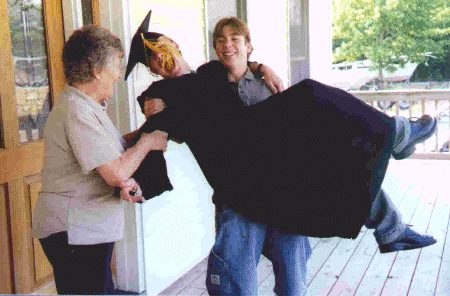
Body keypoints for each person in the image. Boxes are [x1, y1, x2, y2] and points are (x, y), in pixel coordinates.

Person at [126, 12, 436, 253]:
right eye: (155, 56)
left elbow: (238, 63)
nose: (165, 56)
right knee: (310, 94)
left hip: (260, 145)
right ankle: (397, 134)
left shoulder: (209, 72)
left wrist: (262, 68)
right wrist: (139, 180)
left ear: (176, 45)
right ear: (153, 69)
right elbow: (154, 133)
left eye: (166, 46)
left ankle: (391, 228)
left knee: (338, 163)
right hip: (238, 165)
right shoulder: (158, 94)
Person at [32, 25, 168, 295]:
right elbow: (115, 172)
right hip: (75, 233)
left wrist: (149, 127)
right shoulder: (77, 110)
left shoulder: (86, 105)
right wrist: (148, 142)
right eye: (115, 68)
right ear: (95, 70)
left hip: (85, 229)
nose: (118, 76)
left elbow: (112, 151)